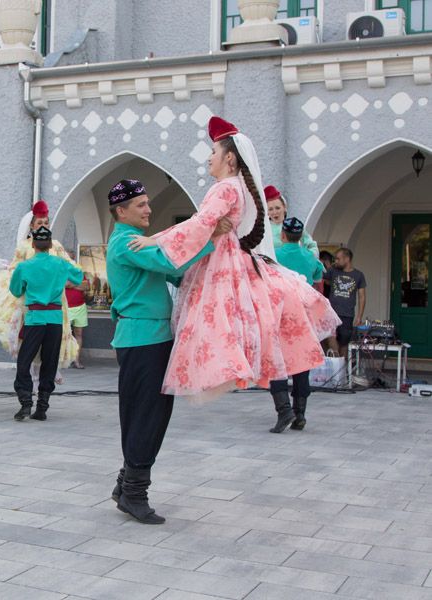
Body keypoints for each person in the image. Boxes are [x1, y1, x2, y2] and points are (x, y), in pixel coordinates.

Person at [129, 116, 339, 401]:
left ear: (229, 158)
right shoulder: (235, 187)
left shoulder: (226, 187)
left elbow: (200, 223)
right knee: (227, 318)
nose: (209, 157)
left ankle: (223, 368)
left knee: (216, 318)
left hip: (221, 260)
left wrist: (155, 239)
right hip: (229, 255)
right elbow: (202, 222)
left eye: (213, 151)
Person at [107, 179, 223, 524]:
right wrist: (210, 236)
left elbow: (174, 272)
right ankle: (133, 493)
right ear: (121, 211)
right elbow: (168, 260)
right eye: (140, 205)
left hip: (152, 337)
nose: (148, 209)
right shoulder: (125, 243)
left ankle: (125, 485)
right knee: (146, 415)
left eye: (147, 203)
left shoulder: (134, 242)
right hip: (142, 339)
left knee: (151, 414)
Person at [0, 199, 78, 367]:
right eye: (39, 222)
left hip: (55, 301)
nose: (43, 225)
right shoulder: (24, 247)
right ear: (32, 225)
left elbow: (70, 268)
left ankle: (46, 381)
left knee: (52, 345)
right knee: (29, 345)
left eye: (46, 222)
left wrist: (66, 281)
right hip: (31, 302)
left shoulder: (56, 246)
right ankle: (29, 381)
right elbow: (15, 271)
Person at [10, 226, 83, 422]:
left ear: (33, 244)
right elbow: (78, 276)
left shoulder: (24, 266)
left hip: (35, 318)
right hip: (55, 319)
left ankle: (26, 402)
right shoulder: (60, 263)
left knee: (24, 361)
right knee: (49, 363)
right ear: (50, 245)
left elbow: (16, 291)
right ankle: (42, 407)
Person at [268, 217, 327, 433]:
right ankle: (300, 413)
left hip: (280, 316)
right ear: (301, 236)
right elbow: (317, 280)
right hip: (304, 318)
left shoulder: (274, 256)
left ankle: (284, 411)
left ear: (282, 235)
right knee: (302, 365)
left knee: (277, 364)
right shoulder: (311, 259)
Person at [323, 247, 366, 356]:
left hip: (347, 314)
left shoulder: (358, 275)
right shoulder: (333, 271)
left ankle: (342, 368)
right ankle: (336, 359)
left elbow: (362, 296)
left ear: (347, 259)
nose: (336, 261)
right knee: (331, 336)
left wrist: (360, 316)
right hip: (332, 312)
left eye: (338, 259)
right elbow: (320, 275)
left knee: (344, 343)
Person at [264, 185, 319, 257]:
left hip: (291, 265)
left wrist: (306, 258)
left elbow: (312, 246)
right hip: (272, 265)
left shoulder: (292, 225)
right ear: (267, 212)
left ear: (284, 208)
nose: (275, 212)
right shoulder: (264, 229)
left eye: (277, 208)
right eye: (270, 209)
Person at [65, 250, 90, 369]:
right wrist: (77, 284)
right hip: (66, 307)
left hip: (80, 307)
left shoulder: (79, 271)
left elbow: (86, 286)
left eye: (72, 259)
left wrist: (72, 284)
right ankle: (63, 361)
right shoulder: (60, 271)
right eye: (68, 258)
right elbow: (64, 284)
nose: (71, 261)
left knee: (79, 334)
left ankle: (76, 360)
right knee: (64, 335)